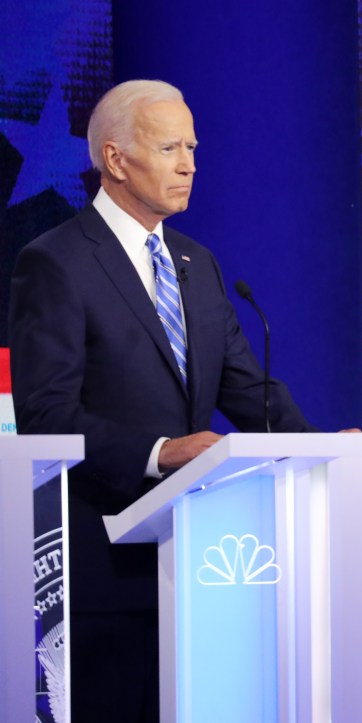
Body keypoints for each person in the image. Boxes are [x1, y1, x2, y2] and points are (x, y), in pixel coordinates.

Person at [8, 80, 318, 722]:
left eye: (194, 147)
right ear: (116, 159)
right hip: (104, 567)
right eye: (171, 146)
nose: (190, 164)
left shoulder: (195, 263)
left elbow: (246, 387)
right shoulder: (56, 263)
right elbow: (46, 415)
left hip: (205, 568)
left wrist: (317, 449)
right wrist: (159, 452)